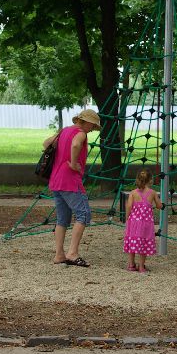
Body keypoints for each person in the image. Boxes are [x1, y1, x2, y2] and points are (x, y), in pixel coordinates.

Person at [46, 108, 101, 267]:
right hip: (70, 181)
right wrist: (73, 163)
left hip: (56, 180)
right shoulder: (81, 133)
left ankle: (59, 254)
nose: (92, 129)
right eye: (92, 125)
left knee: (62, 218)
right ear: (85, 122)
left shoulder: (64, 131)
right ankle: (72, 253)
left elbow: (46, 143)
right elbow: (76, 145)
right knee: (83, 214)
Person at [123, 168, 161, 273]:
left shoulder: (133, 193)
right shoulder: (152, 193)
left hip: (133, 222)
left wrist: (127, 218)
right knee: (143, 243)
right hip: (146, 223)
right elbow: (159, 205)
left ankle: (131, 265)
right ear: (150, 180)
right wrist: (162, 205)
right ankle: (141, 266)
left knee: (133, 241)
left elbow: (129, 206)